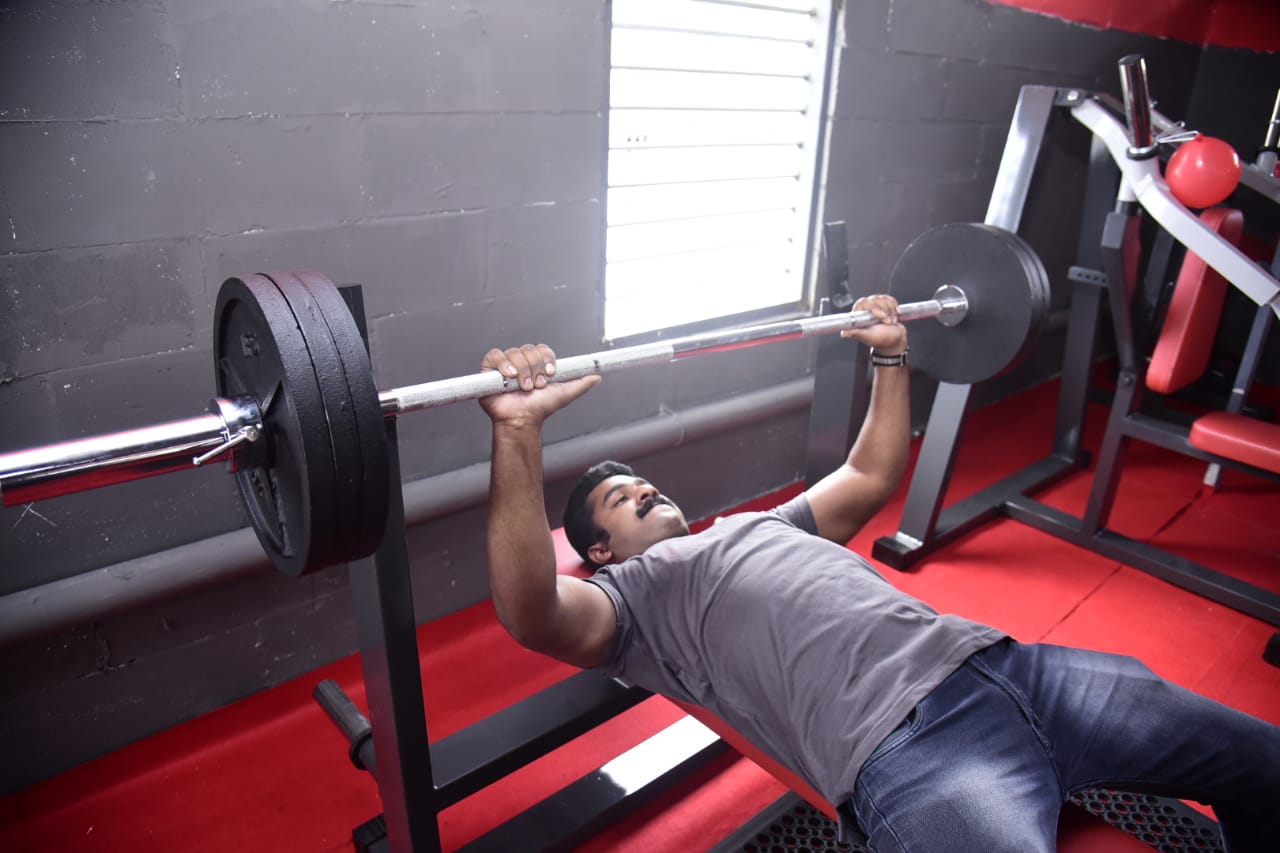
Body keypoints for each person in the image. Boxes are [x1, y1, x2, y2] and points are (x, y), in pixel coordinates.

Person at [478, 295, 1280, 853]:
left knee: (1265, 764)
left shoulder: (762, 523)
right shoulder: (632, 604)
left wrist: (893, 354)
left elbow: (869, 473)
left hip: (1018, 669)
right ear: (602, 551)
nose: (644, 491)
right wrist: (518, 435)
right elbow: (532, 613)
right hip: (916, 750)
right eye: (619, 500)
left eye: (642, 482)